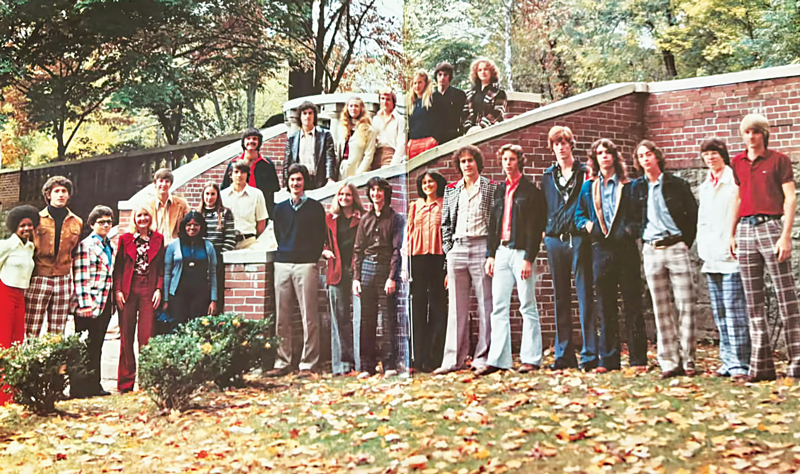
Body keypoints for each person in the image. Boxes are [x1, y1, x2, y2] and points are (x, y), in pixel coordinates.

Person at [730, 114, 800, 382]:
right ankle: (761, 368)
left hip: (771, 226)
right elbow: (737, 198)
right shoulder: (737, 162)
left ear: (764, 134)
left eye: (756, 132)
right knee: (753, 301)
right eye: (747, 132)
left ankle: (796, 364)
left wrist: (785, 236)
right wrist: (732, 232)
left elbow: (790, 199)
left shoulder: (779, 160)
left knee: (786, 296)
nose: (751, 137)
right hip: (745, 230)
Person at [574, 139, 647, 373]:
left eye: (608, 152)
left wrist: (628, 231)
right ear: (595, 158)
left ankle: (638, 360)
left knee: (632, 305)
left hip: (625, 251)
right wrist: (588, 227)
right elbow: (578, 216)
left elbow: (639, 217)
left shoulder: (630, 185)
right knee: (605, 307)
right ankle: (608, 359)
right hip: (600, 251)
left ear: (615, 157)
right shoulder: (589, 187)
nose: (604, 156)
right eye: (599, 153)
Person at [632, 140, 698, 379]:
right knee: (661, 309)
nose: (646, 159)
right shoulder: (637, 188)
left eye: (649, 154)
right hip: (652, 250)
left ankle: (688, 359)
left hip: (676, 246)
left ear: (657, 157)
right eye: (641, 156)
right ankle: (669, 362)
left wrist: (684, 241)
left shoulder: (676, 184)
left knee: (686, 305)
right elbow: (631, 216)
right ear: (638, 162)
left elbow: (692, 214)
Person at [480, 145, 547, 376]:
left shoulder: (531, 191)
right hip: (501, 252)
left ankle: (531, 358)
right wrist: (490, 254)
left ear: (520, 161)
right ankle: (499, 359)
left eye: (512, 159)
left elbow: (536, 227)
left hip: (521, 253)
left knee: (527, 304)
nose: (508, 163)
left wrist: (529, 257)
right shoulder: (499, 190)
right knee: (499, 306)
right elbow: (493, 226)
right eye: (505, 159)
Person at [434, 146, 497, 375]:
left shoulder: (490, 188)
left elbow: (495, 224)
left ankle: (483, 357)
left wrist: (492, 253)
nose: (467, 165)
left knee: (485, 304)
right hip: (457, 249)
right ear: (458, 165)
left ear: (477, 163)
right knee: (456, 307)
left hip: (481, 245)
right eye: (463, 161)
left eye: (470, 160)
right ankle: (453, 359)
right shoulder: (452, 190)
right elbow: (446, 225)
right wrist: (448, 253)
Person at [696, 138, 750, 382]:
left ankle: (741, 363)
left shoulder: (733, 181)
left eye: (714, 153)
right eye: (706, 154)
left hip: (731, 257)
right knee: (719, 313)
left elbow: (737, 212)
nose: (710, 158)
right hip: (711, 257)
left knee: (735, 311)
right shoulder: (706, 185)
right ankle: (727, 360)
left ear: (723, 155)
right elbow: (703, 221)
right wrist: (703, 248)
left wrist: (733, 238)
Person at [266, 164, 327, 378]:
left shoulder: (315, 208)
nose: (295, 183)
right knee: (282, 316)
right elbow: (278, 234)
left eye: (299, 180)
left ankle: (308, 363)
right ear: (288, 182)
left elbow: (320, 235)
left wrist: (311, 256)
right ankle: (282, 361)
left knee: (308, 315)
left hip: (305, 264)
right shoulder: (280, 208)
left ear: (304, 182)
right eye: (292, 180)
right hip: (283, 263)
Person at [541, 126, 593, 371]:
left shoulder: (585, 173)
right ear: (552, 147)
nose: (561, 147)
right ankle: (564, 354)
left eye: (565, 142)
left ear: (571, 145)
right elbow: (544, 207)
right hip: (555, 240)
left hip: (579, 238)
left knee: (584, 296)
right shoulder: (547, 176)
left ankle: (589, 354)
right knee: (561, 297)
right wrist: (546, 231)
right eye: (556, 143)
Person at [353, 177, 404, 377]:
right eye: (372, 190)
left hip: (385, 269)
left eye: (379, 190)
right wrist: (356, 278)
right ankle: (367, 366)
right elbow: (357, 250)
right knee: (367, 319)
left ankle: (389, 364)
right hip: (366, 268)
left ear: (386, 193)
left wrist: (392, 277)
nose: (376, 194)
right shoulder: (364, 219)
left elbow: (396, 250)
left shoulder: (395, 218)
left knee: (388, 318)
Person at [114, 205, 165, 394]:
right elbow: (118, 268)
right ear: (134, 219)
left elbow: (160, 268)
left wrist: (159, 289)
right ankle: (126, 384)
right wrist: (118, 290)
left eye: (145, 215)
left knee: (146, 336)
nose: (142, 218)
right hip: (128, 289)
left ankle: (146, 382)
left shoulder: (158, 239)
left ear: (150, 218)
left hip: (148, 289)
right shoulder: (125, 239)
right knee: (126, 336)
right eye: (139, 216)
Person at [25, 176, 83, 337]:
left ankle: (53, 362)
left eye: (64, 191)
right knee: (32, 326)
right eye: (56, 191)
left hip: (63, 279)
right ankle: (31, 361)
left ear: (69, 195)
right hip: (39, 277)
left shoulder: (76, 222)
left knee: (57, 330)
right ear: (48, 195)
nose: (61, 195)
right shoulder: (36, 219)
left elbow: (75, 249)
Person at [403, 171, 447, 372]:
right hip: (418, 259)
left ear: (438, 184)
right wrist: (405, 264)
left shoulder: (445, 204)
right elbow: (408, 235)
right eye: (424, 182)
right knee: (417, 307)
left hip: (438, 259)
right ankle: (417, 357)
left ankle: (434, 358)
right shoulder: (414, 206)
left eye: (431, 182)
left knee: (438, 307)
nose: (428, 185)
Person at [70, 205, 116, 398]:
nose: (105, 225)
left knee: (97, 344)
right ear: (92, 224)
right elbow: (81, 277)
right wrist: (85, 304)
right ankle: (79, 387)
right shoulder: (85, 246)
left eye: (108, 222)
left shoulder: (109, 245)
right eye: (101, 222)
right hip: (88, 303)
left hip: (104, 303)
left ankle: (95, 384)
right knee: (83, 346)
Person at [323, 182, 365, 375]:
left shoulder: (362, 218)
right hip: (336, 271)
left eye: (348, 195)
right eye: (341, 194)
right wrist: (325, 251)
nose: (344, 198)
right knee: (339, 318)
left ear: (354, 197)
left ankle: (361, 362)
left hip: (358, 271)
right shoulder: (330, 218)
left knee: (360, 317)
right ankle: (341, 364)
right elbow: (322, 241)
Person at [0, 205, 39, 405]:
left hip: (20, 295)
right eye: (22, 225)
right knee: (3, 343)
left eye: (30, 225)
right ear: (15, 226)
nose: (26, 229)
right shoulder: (6, 245)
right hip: (4, 293)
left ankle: (13, 392)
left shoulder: (30, 248)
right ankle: (2, 395)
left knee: (17, 342)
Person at [164, 211, 218, 324]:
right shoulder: (174, 246)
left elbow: (213, 274)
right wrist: (165, 299)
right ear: (184, 226)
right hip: (178, 295)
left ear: (201, 226)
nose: (192, 227)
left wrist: (213, 299)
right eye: (189, 225)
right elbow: (167, 273)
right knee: (178, 327)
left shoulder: (208, 246)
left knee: (198, 327)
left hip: (201, 295)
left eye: (196, 224)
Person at [222, 128, 281, 218]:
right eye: (248, 138)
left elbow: (273, 190)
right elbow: (224, 188)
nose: (251, 141)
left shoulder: (267, 164)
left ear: (259, 142)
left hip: (261, 211)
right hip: (238, 210)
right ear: (243, 142)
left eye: (254, 138)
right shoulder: (234, 164)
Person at [198, 182, 235, 310]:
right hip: (200, 257)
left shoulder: (225, 213)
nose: (209, 197)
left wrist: (220, 256)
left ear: (217, 195)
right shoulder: (198, 214)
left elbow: (230, 237)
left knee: (217, 291)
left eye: (212, 194)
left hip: (218, 257)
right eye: (207, 194)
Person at [284, 101, 337, 190]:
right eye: (304, 113)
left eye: (310, 113)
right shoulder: (292, 138)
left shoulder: (325, 135)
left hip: (318, 181)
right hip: (299, 181)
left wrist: (330, 179)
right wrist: (287, 184)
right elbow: (287, 163)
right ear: (300, 117)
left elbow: (330, 158)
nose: (307, 116)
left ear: (314, 116)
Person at [221, 161, 269, 249]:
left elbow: (261, 222)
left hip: (249, 243)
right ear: (230, 175)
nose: (239, 175)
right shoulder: (222, 196)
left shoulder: (257, 194)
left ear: (247, 175)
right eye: (236, 172)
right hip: (227, 244)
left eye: (243, 172)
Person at [143, 168, 189, 245]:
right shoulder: (147, 206)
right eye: (161, 181)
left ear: (170, 184)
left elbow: (189, 225)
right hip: (154, 246)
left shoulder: (181, 204)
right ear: (155, 183)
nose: (163, 184)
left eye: (167, 181)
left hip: (175, 246)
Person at [462, 58, 507, 134]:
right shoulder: (470, 94)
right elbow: (464, 113)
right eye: (480, 70)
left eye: (486, 69)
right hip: (470, 133)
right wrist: (468, 128)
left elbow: (497, 113)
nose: (483, 72)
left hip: (491, 132)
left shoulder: (499, 93)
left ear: (491, 72)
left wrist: (481, 127)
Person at [336, 96, 376, 179]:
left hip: (357, 172)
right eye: (351, 106)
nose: (353, 108)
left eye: (356, 106)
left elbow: (368, 156)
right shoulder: (342, 127)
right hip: (342, 172)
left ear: (361, 109)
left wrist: (359, 174)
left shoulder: (368, 130)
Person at [431, 61, 466, 145]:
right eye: (440, 74)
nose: (442, 77)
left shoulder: (459, 94)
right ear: (436, 76)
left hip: (454, 137)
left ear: (449, 77)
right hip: (435, 139)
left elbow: (464, 116)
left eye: (445, 75)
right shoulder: (431, 97)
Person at [406, 70, 438, 160]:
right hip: (413, 143)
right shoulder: (411, 103)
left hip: (428, 141)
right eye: (414, 83)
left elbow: (439, 121)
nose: (417, 86)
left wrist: (434, 139)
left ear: (426, 83)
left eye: (420, 82)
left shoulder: (432, 99)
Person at [372, 88, 407, 168]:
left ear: (393, 102)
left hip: (391, 154)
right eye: (382, 99)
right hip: (376, 155)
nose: (384, 102)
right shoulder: (375, 119)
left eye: (388, 99)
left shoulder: (399, 120)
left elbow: (401, 144)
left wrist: (393, 165)